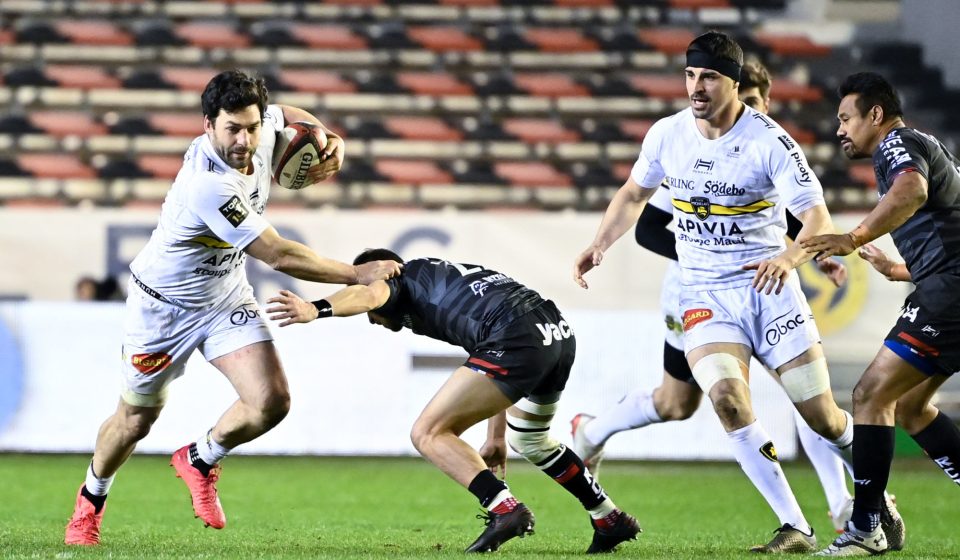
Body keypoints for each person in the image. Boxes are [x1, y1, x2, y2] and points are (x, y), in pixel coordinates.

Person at [572, 31, 903, 553]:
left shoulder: (770, 141)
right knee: (727, 401)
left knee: (823, 418)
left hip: (769, 291)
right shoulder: (667, 134)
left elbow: (814, 214)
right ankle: (795, 525)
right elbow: (634, 194)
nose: (696, 87)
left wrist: (793, 256)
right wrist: (599, 243)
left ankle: (872, 498)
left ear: (732, 83)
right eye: (690, 75)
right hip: (705, 293)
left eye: (708, 77)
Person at [64, 70, 402, 546]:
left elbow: (294, 118)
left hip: (224, 297)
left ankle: (200, 458)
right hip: (164, 309)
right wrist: (356, 273)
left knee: (272, 402)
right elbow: (279, 254)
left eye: (251, 127)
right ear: (208, 125)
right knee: (135, 421)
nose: (244, 141)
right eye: (232, 129)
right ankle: (89, 503)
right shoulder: (208, 184)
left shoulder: (261, 129)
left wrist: (332, 140)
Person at [266, 250, 641, 554]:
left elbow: (368, 295)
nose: (371, 320)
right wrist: (496, 436)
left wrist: (316, 309)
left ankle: (505, 510)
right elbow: (489, 355)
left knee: (428, 432)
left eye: (370, 316)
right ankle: (609, 518)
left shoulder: (395, 282)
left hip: (515, 336)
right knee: (530, 439)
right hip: (555, 331)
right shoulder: (439, 276)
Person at [803, 71, 960, 556]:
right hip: (946, 287)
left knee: (870, 394)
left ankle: (865, 526)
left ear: (876, 114)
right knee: (911, 406)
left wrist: (853, 238)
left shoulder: (897, 143)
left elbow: (911, 193)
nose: (840, 130)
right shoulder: (922, 144)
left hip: (948, 293)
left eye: (846, 118)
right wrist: (898, 267)